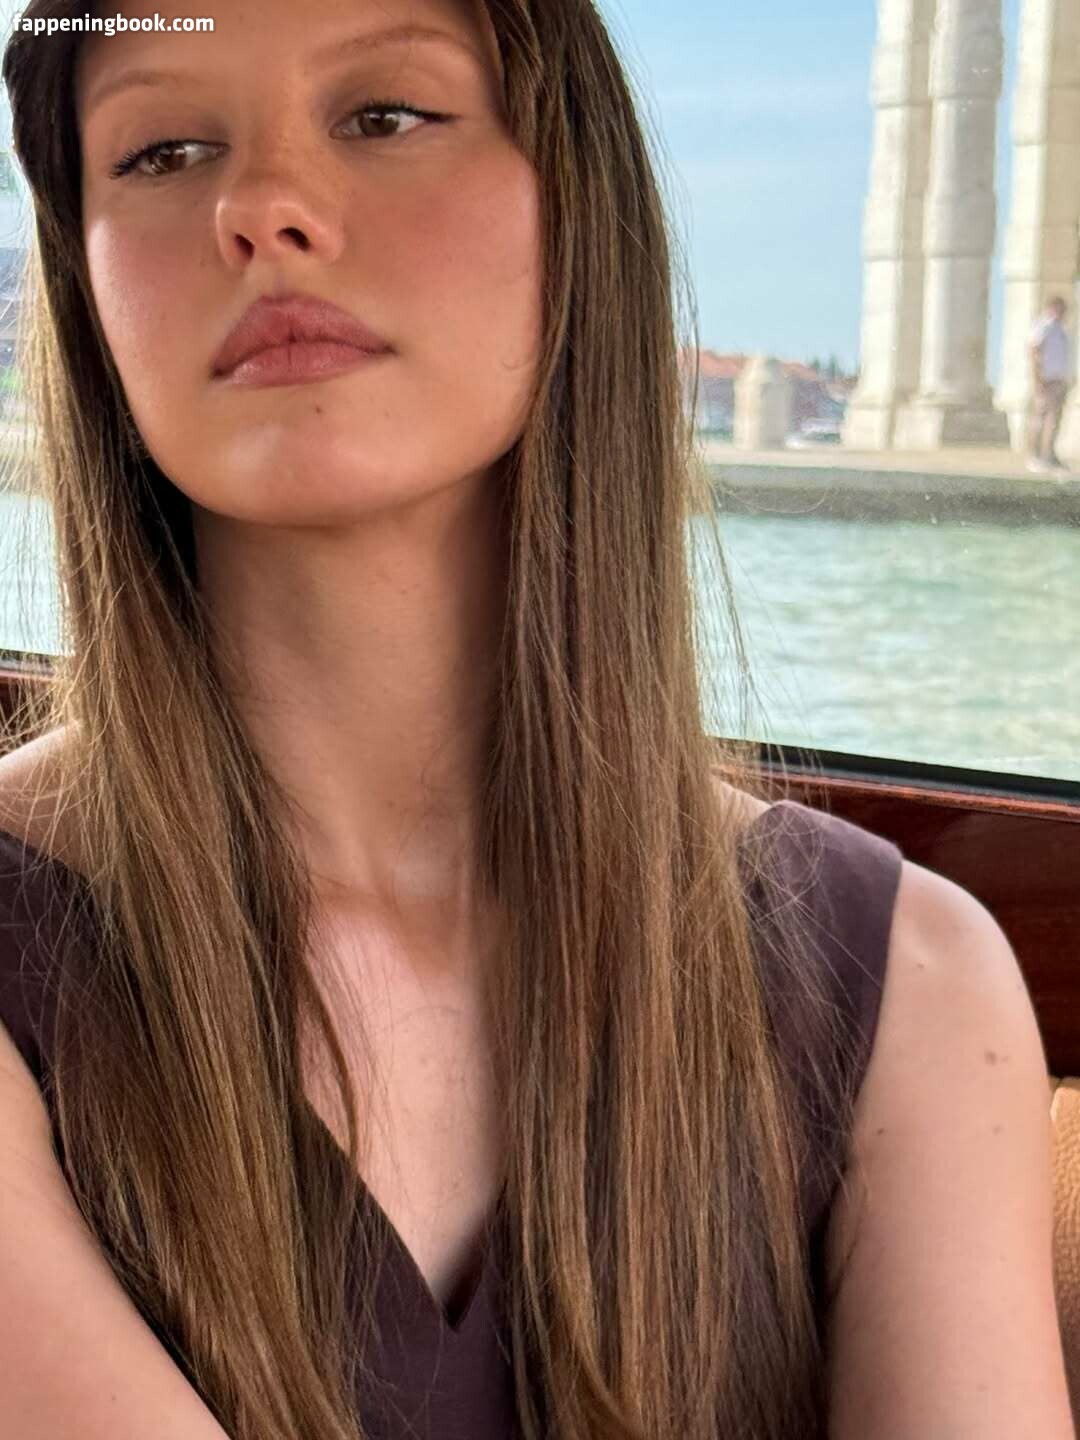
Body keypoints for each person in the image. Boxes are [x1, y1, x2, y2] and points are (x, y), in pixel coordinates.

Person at [0, 2, 1071, 1439]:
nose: (261, 208)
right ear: (81, 282)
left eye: (385, 115)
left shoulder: (915, 992)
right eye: (163, 151)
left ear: (577, 203)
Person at [1028, 294, 1073, 473]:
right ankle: (1035, 456)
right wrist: (1037, 379)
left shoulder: (1061, 329)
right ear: (1054, 307)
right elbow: (1034, 351)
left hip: (1059, 381)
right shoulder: (1044, 325)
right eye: (1062, 308)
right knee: (1041, 418)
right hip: (1046, 380)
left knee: (1054, 419)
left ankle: (1049, 455)